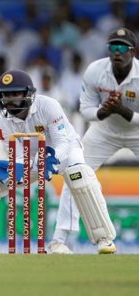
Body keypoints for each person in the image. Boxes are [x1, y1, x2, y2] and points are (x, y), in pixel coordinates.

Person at [0, 69, 116, 254]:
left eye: (15, 94)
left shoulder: (48, 105)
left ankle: (100, 239)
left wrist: (50, 158)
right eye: (5, 95)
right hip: (32, 159)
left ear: (28, 94)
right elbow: (16, 154)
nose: (9, 100)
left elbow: (62, 141)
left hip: (65, 151)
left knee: (79, 177)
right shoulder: (2, 123)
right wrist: (18, 166)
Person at [50, 27, 138, 253]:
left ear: (132, 51)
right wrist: (103, 112)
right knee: (74, 173)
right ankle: (60, 240)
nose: (117, 52)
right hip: (104, 130)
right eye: (113, 47)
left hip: (136, 131)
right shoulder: (95, 71)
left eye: (122, 48)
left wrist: (123, 111)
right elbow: (85, 109)